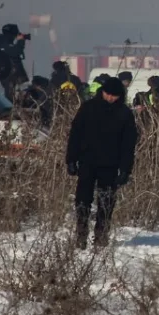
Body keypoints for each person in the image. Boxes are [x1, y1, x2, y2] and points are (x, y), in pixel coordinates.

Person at [65, 77, 138, 249]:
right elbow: (75, 135)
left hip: (111, 165)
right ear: (102, 92)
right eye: (108, 94)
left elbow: (128, 144)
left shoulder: (124, 113)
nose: (111, 98)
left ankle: (101, 237)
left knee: (106, 203)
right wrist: (70, 160)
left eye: (115, 95)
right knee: (82, 202)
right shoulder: (88, 108)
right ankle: (81, 236)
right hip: (87, 162)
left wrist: (125, 170)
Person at [0, 24, 29, 101]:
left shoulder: (1, 42)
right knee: (10, 97)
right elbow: (15, 52)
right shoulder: (2, 42)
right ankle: (9, 110)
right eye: (15, 35)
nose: (15, 37)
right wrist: (21, 41)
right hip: (7, 74)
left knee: (13, 95)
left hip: (6, 73)